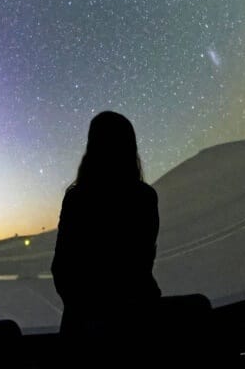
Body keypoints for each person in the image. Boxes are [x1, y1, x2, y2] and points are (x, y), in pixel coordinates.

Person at [51, 110, 161, 344]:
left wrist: (87, 314)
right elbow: (142, 261)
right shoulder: (145, 198)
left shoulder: (77, 199)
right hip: (140, 321)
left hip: (84, 326)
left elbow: (62, 268)